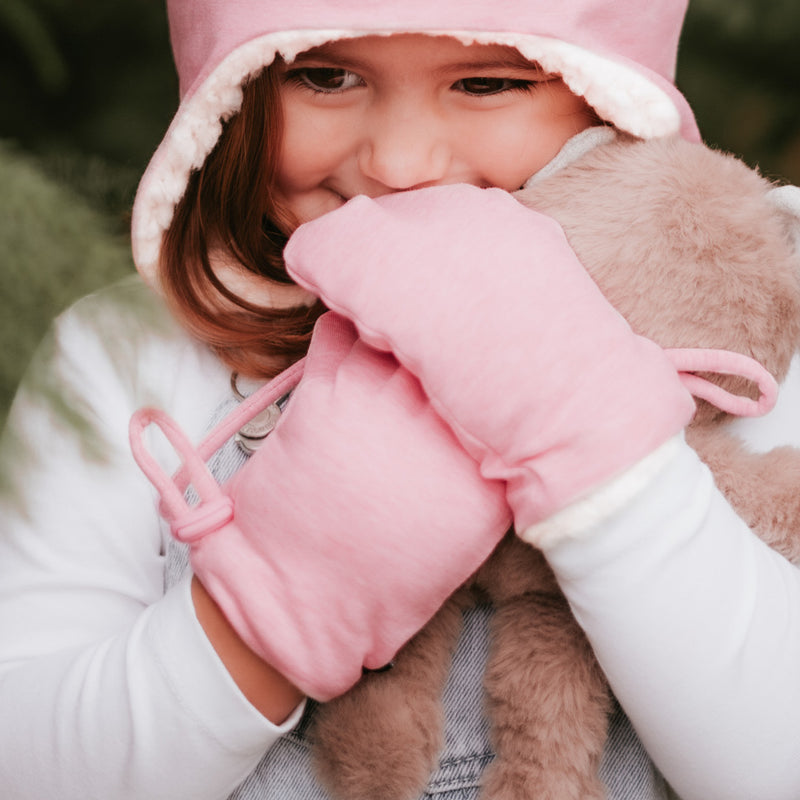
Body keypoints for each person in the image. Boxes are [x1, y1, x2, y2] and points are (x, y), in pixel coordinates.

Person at [1, 2, 800, 799]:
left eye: (486, 83)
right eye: (326, 75)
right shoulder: (128, 355)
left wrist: (603, 459)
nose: (403, 163)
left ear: (608, 105)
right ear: (234, 97)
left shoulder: (749, 354)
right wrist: (284, 600)